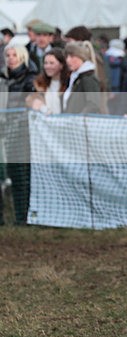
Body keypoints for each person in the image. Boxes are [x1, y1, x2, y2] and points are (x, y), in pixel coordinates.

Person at [1, 44, 37, 224]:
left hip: (22, 131)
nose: (11, 58)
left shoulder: (30, 79)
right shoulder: (3, 79)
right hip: (4, 130)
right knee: (10, 176)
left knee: (22, 176)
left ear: (22, 57)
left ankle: (24, 217)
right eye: (8, 55)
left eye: (14, 55)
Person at [25, 48, 70, 115]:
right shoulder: (39, 83)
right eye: (46, 63)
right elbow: (31, 101)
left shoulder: (69, 84)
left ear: (61, 65)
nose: (48, 66)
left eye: (52, 63)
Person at [63, 41, 102, 114]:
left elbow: (93, 104)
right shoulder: (75, 77)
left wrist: (79, 119)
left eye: (72, 56)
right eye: (67, 56)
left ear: (82, 57)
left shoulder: (88, 78)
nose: (68, 60)